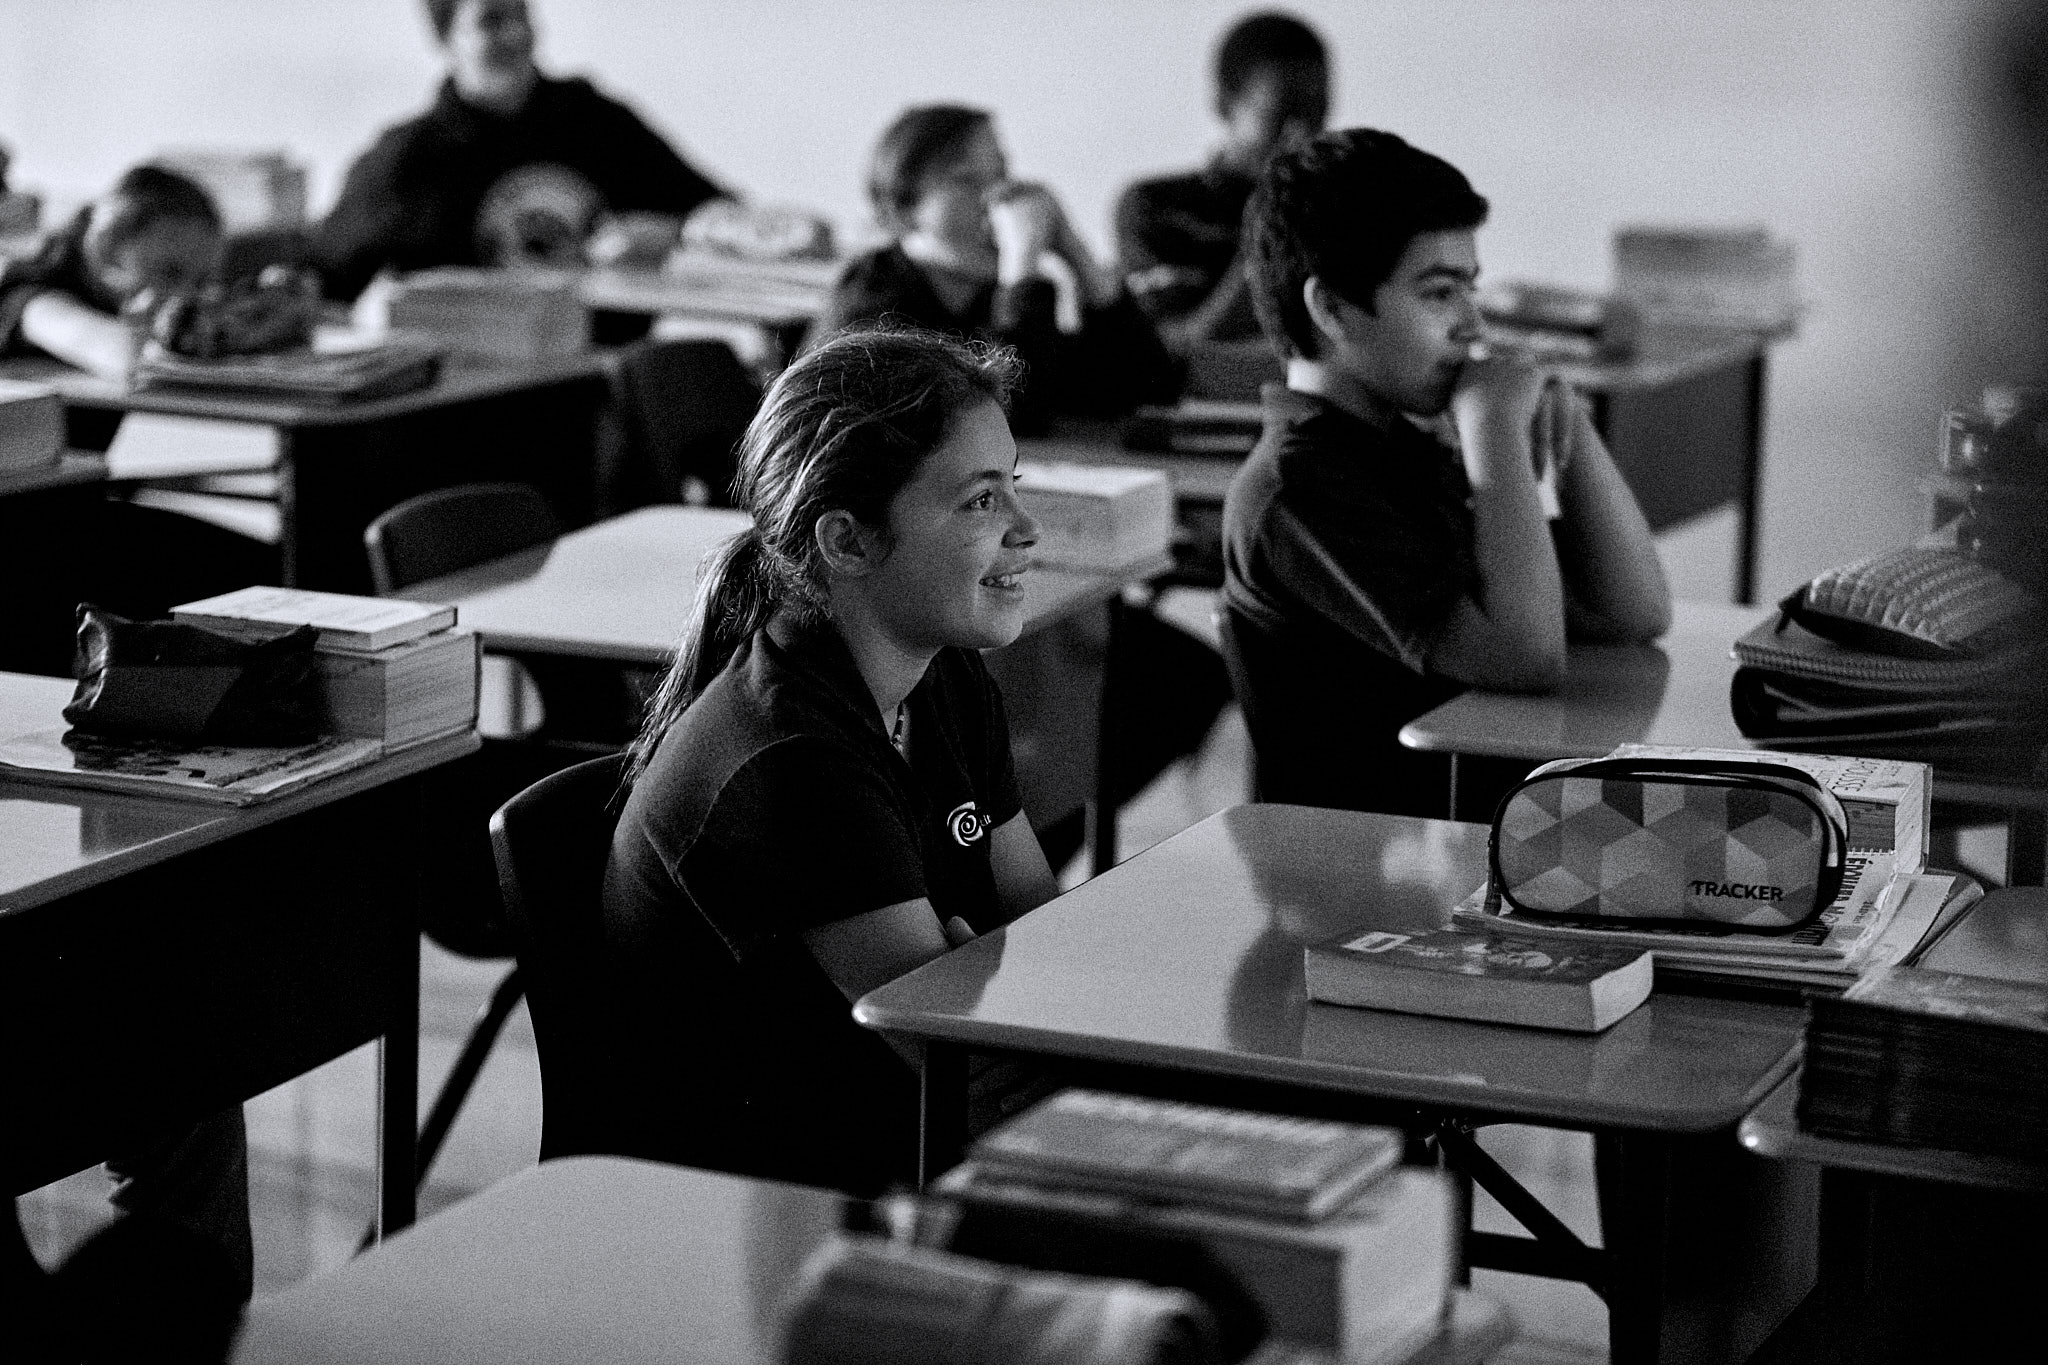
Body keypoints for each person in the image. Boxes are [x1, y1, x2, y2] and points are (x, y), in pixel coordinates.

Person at [603, 326, 1062, 1195]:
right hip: (772, 1205)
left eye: (1015, 485)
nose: (1026, 528)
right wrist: (995, 991)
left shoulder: (945, 678)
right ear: (848, 541)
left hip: (883, 1142)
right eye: (980, 501)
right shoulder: (794, 763)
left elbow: (1045, 935)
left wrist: (999, 986)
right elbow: (964, 1070)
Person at [1222, 129, 1671, 818]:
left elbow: (1632, 611)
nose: (1473, 324)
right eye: (1439, 293)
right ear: (1332, 309)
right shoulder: (1301, 487)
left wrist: (1568, 419)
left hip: (1461, 829)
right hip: (1361, 859)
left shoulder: (1399, 447)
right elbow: (1527, 659)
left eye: (1471, 288)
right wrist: (1493, 426)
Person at [315, 0, 726, 302]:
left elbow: (721, 215)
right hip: (476, 384)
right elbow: (325, 279)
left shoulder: (596, 122)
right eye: (491, 20)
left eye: (522, 15)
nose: (514, 34)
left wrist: (673, 235)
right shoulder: (408, 159)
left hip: (598, 375)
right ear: (446, 37)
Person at [815, 104, 1179, 435]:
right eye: (967, 180)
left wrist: (1077, 255)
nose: (998, 199)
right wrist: (1019, 271)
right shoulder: (870, 298)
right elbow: (1002, 423)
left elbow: (1145, 392)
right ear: (903, 210)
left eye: (1002, 175)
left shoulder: (1010, 296)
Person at [1115, 12, 1329, 359]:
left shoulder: (1335, 210)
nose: (1303, 134)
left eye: (1318, 112)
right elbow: (1176, 349)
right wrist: (1276, 210)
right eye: (1283, 113)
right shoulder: (1157, 206)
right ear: (1225, 104)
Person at [0, 164, 223, 381]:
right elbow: (132, 358)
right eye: (169, 273)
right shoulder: (31, 284)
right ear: (107, 252)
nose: (187, 295)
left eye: (201, 282)